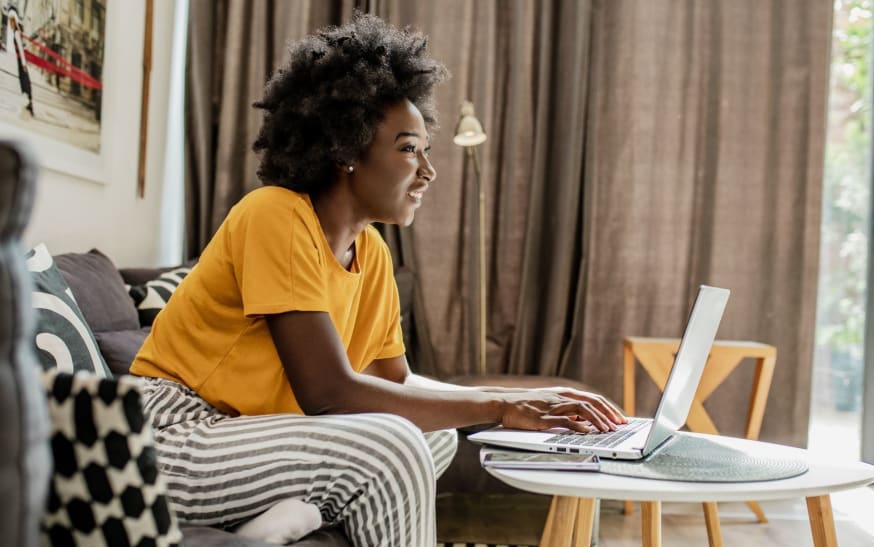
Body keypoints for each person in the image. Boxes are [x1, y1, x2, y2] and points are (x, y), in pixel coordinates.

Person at [130, 13, 624, 547]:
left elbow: (392, 384)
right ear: (346, 150)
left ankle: (283, 515)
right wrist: (498, 407)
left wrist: (512, 396)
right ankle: (280, 516)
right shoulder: (274, 214)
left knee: (429, 439)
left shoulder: (372, 253)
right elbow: (326, 392)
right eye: (409, 148)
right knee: (393, 445)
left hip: (245, 434)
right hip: (167, 435)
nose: (428, 171)